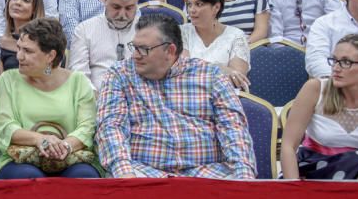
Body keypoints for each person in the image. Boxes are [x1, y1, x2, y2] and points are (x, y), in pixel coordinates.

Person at [96, 13, 256, 179]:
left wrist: (244, 178)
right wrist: (125, 174)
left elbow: (233, 128)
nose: (135, 55)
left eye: (143, 49)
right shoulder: (120, 74)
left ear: (170, 50)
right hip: (143, 173)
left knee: (235, 186)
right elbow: (111, 127)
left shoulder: (210, 75)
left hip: (206, 173)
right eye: (134, 47)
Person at [0, 17, 101, 179]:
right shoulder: (8, 79)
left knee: (84, 176)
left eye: (28, 51)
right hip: (19, 158)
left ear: (50, 56)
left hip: (71, 156)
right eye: (19, 48)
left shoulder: (79, 82)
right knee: (29, 177)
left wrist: (65, 146)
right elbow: (5, 126)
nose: (19, 56)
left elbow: (87, 127)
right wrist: (40, 140)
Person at [281, 34, 358, 180]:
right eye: (335, 61)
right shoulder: (315, 88)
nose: (336, 68)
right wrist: (293, 188)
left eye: (346, 62)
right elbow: (288, 145)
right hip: (316, 166)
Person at [69, 0, 139, 91]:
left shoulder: (147, 30)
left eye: (129, 8)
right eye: (116, 7)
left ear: (137, 3)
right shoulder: (84, 30)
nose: (122, 15)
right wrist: (97, 99)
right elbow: (79, 76)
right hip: (97, 100)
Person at [182, 0, 250, 90]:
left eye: (198, 4)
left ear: (216, 7)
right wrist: (220, 68)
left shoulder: (236, 36)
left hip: (225, 98)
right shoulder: (182, 32)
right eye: (189, 4)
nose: (191, 10)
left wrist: (199, 69)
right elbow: (183, 72)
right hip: (189, 96)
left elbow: (237, 80)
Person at [0, 0, 45, 75]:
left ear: (34, 9)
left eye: (26, 0)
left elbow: (51, 73)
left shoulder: (45, 42)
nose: (18, 3)